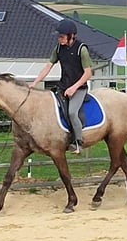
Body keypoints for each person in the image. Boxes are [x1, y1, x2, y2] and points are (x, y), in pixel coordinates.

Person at [30, 18, 92, 154]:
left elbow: (88, 73)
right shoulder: (58, 48)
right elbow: (48, 66)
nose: (59, 39)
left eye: (62, 36)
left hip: (79, 88)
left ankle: (78, 142)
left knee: (72, 112)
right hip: (63, 86)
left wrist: (74, 88)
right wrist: (35, 83)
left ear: (71, 36)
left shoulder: (82, 50)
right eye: (59, 36)